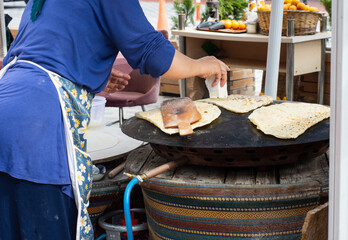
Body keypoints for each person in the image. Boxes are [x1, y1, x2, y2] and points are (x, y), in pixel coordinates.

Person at [0, 0, 229, 239]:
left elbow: (43, 52)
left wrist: (94, 71)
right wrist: (200, 65)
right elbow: (153, 53)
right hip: (36, 127)